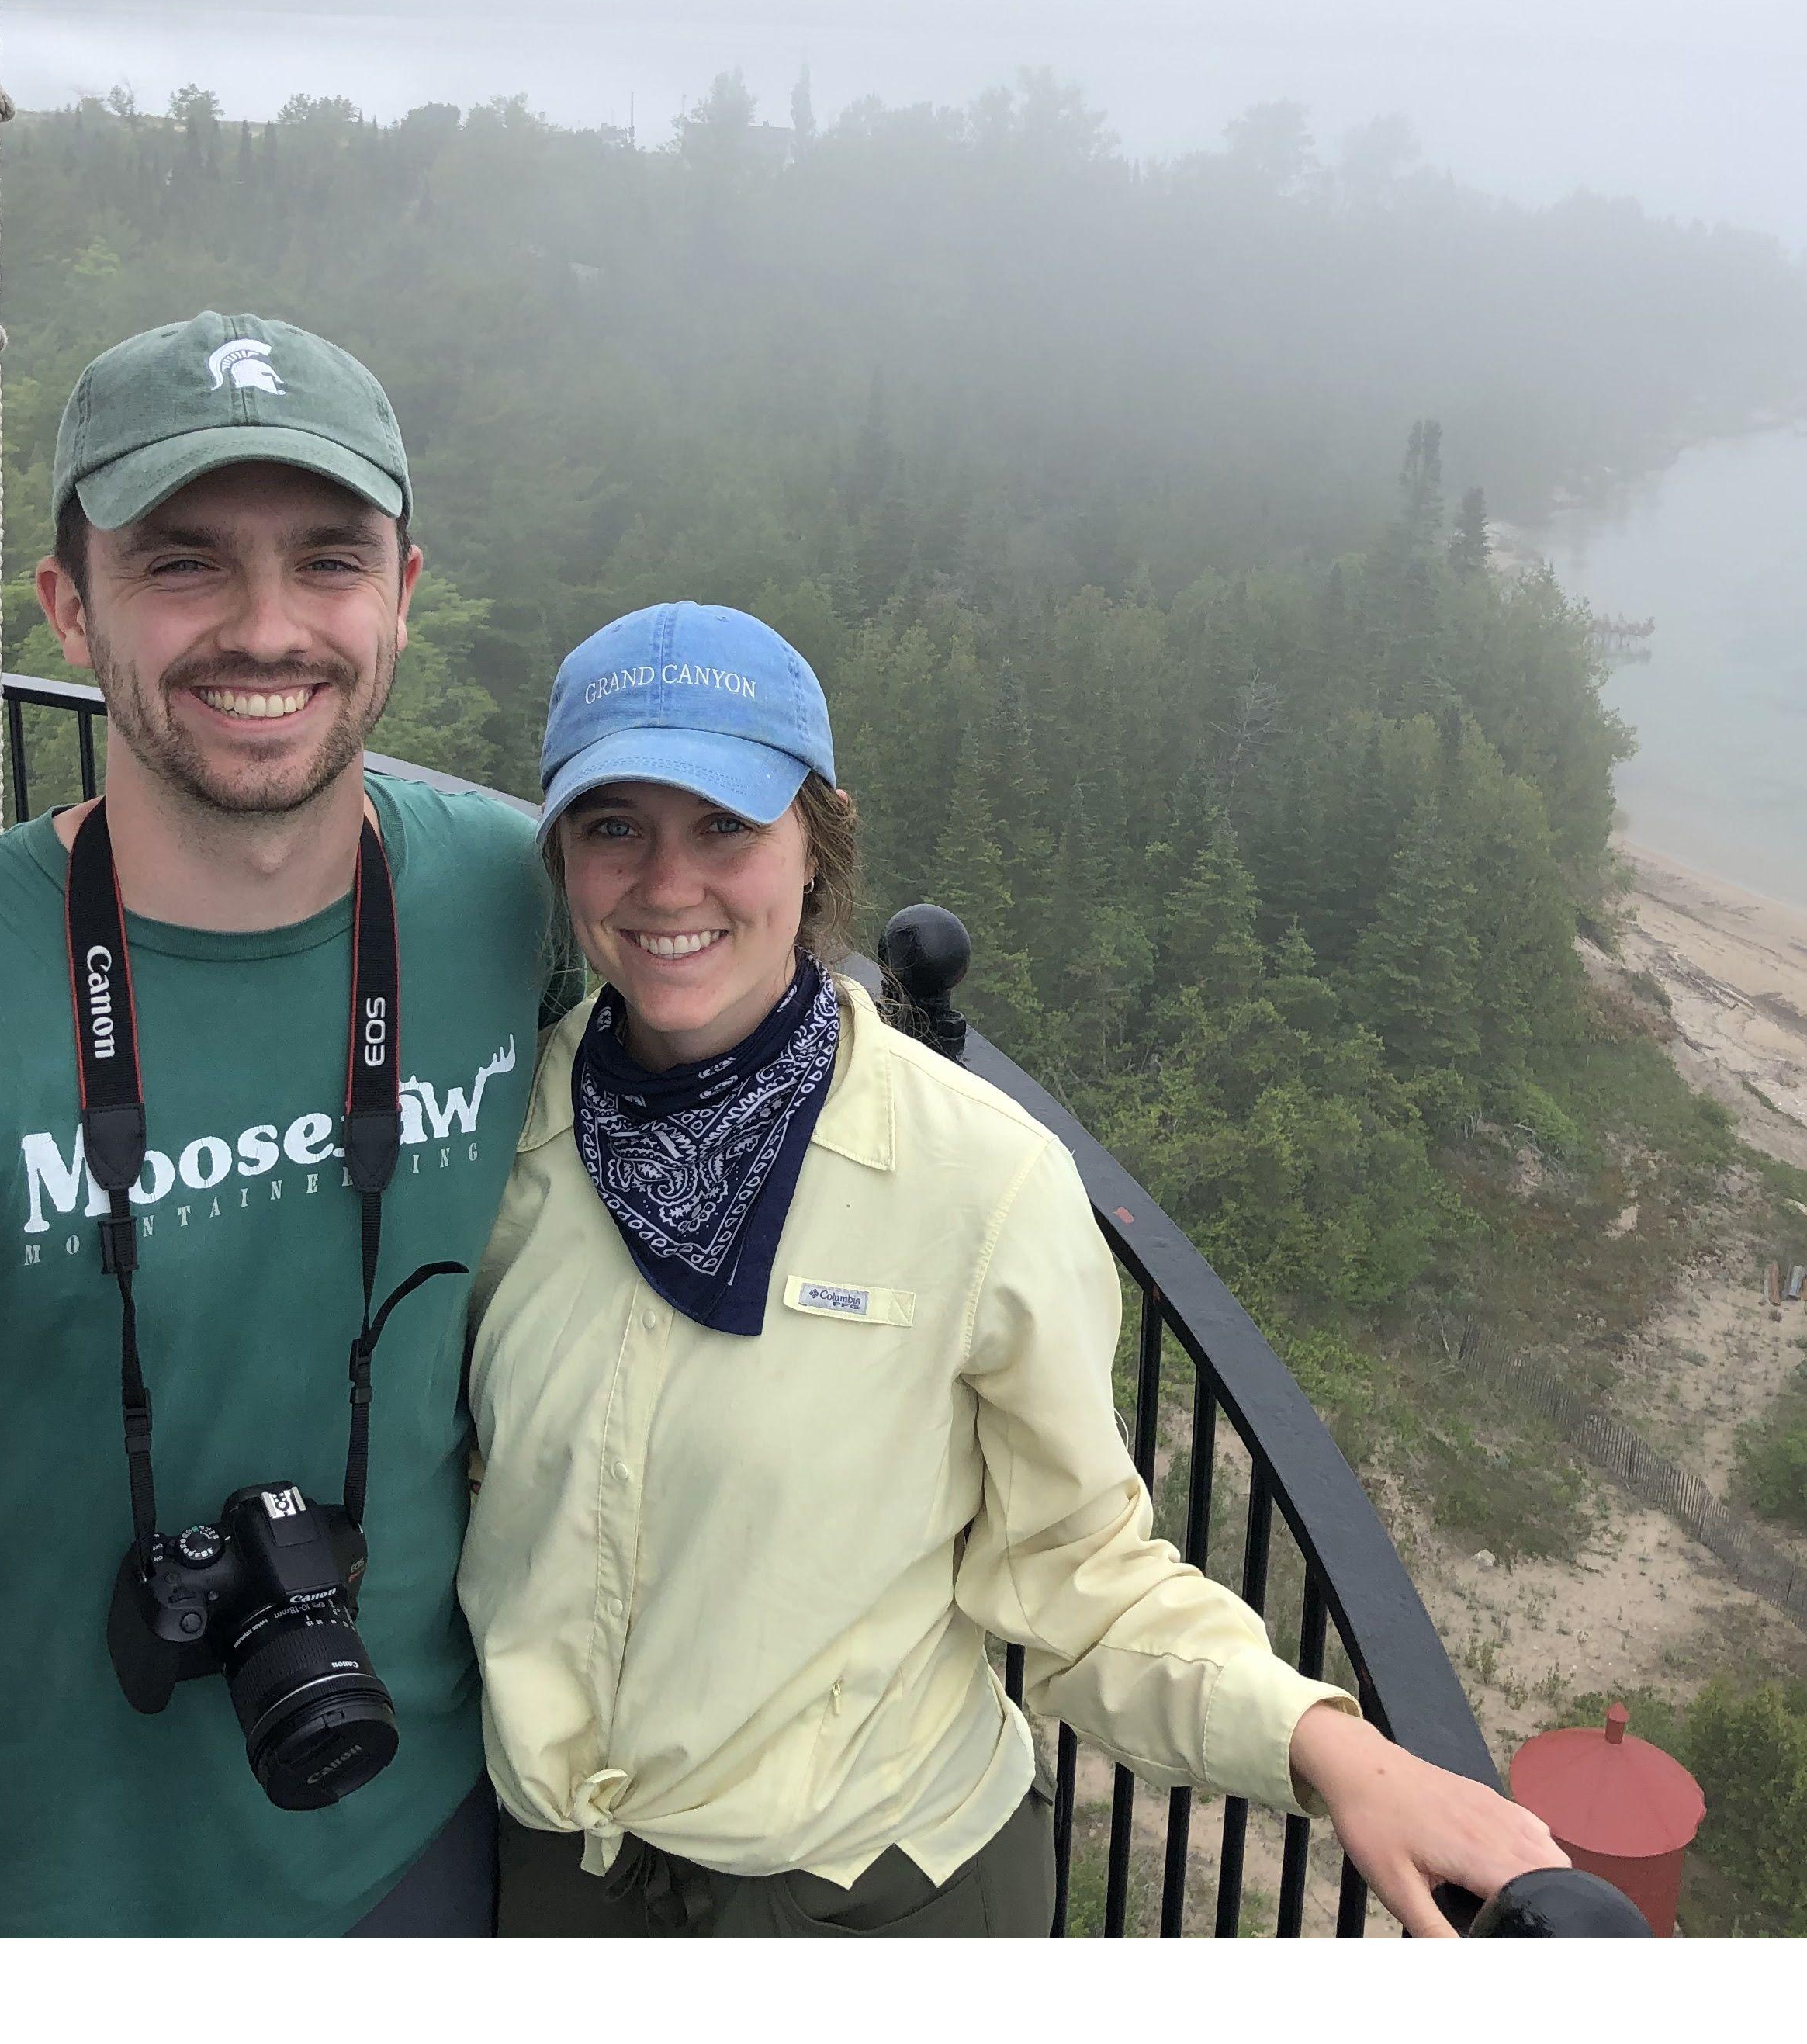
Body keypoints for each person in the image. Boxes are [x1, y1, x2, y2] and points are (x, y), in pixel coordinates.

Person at [463, 601, 1577, 1937]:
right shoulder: (501, 1134)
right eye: (613, 827)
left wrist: (1336, 1754)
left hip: (871, 1900)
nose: (666, 881)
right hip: (550, 1878)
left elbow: (1075, 1572)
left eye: (725, 826)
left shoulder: (977, 1183)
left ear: (816, 845)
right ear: (561, 855)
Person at [0, 312, 549, 1935]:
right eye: (183, 565)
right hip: (41, 1877)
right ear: (69, 609)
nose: (267, 626)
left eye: (327, 560)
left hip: (412, 1825)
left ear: (405, 596)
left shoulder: (514, 899)